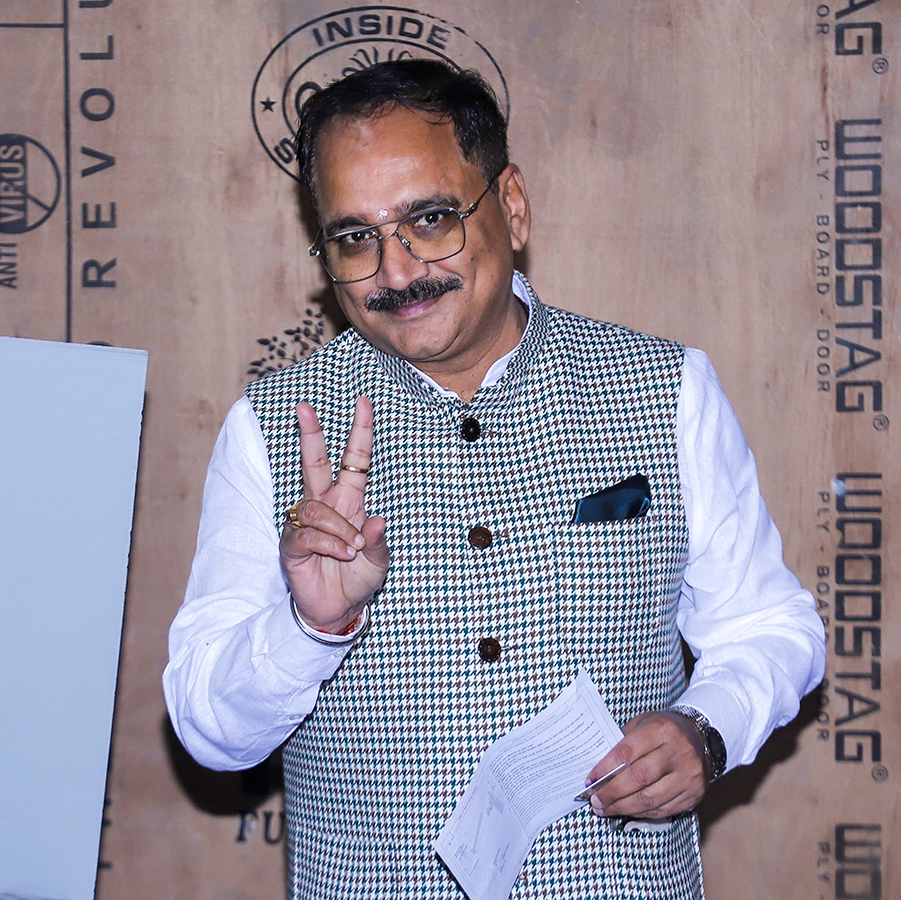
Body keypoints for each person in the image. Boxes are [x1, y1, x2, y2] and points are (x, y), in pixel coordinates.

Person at [163, 59, 825, 898]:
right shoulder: (273, 428)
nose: (396, 272)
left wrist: (708, 729)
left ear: (509, 204)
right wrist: (308, 627)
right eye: (354, 238)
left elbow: (771, 626)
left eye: (430, 220)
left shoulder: (665, 389)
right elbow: (209, 731)